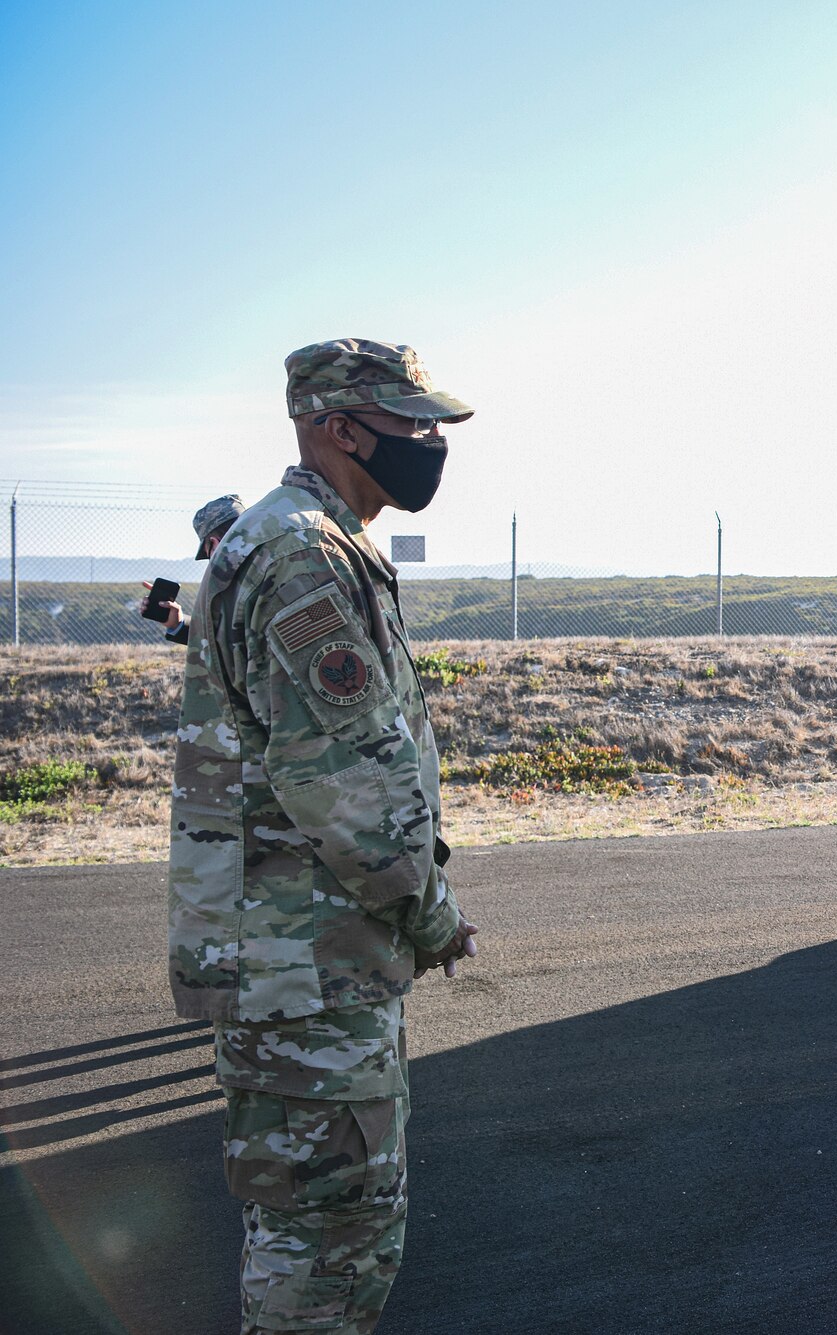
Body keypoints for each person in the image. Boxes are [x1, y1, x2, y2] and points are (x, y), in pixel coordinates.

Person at [168, 338, 481, 1334]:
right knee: (331, 1245)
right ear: (338, 426)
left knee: (308, 1229)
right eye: (411, 422)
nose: (430, 443)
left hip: (296, 957)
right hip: (309, 965)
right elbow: (346, 781)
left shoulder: (297, 540)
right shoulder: (304, 556)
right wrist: (433, 918)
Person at [144, 494, 244, 645]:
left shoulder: (229, 587)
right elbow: (227, 640)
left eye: (208, 554)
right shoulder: (276, 564)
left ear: (214, 544)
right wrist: (177, 624)